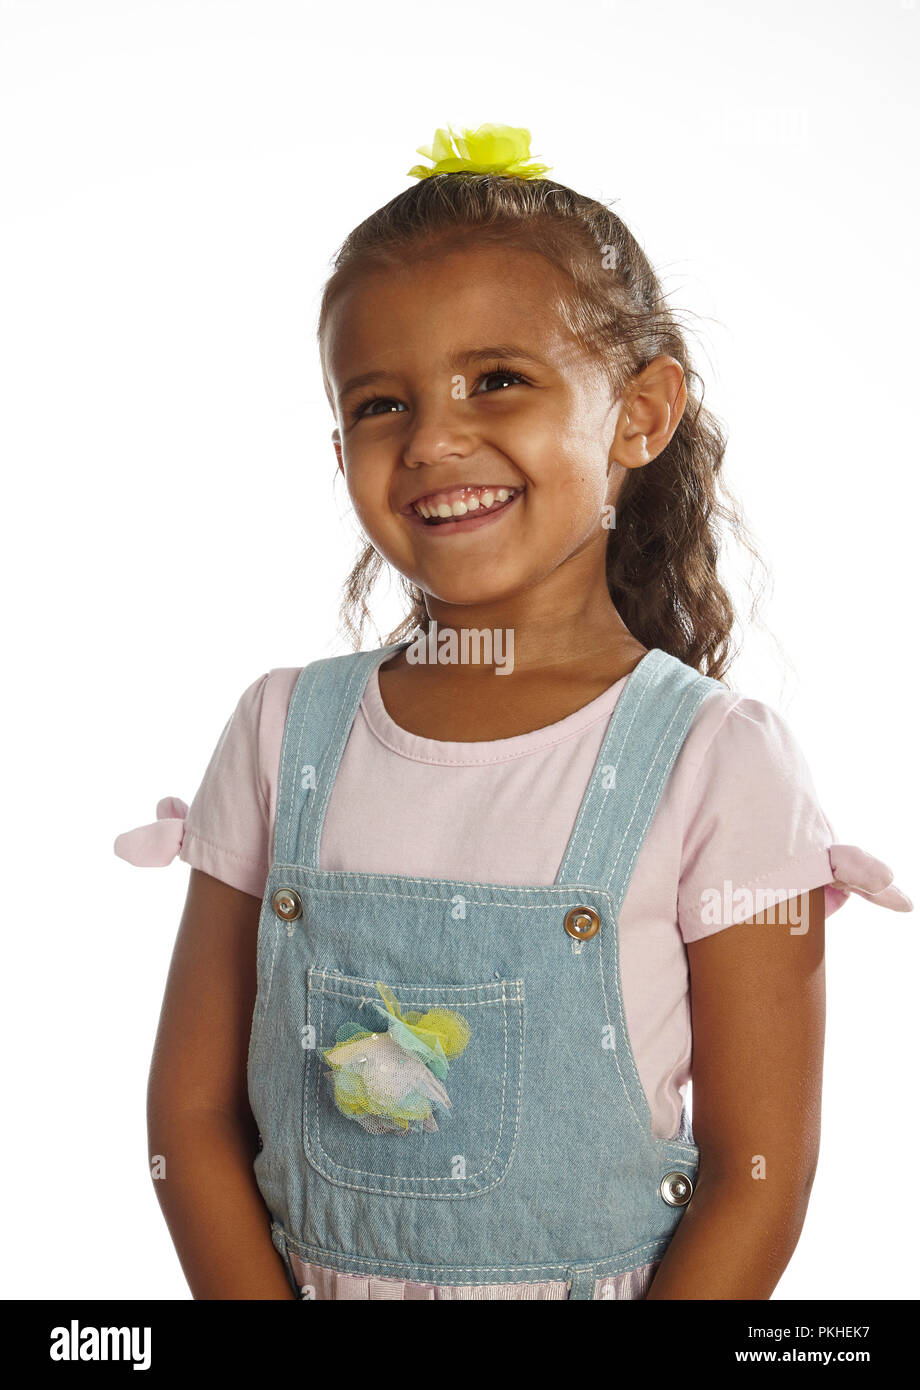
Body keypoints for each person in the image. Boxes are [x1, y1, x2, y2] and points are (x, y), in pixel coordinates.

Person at [115, 124, 912, 1301]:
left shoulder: (711, 765)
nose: (433, 439)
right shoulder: (283, 734)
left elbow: (759, 1179)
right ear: (339, 446)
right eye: (380, 402)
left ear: (639, 415)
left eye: (496, 379)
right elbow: (189, 1114)